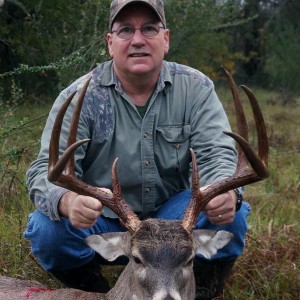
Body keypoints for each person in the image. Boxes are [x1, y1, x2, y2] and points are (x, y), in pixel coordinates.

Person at [24, 0, 248, 299]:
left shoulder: (195, 88)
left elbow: (217, 153)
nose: (138, 40)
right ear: (110, 42)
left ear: (165, 38)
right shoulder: (80, 97)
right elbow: (44, 169)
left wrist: (224, 191)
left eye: (149, 29)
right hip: (105, 219)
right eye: (126, 30)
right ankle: (95, 291)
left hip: (175, 220)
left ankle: (201, 291)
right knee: (47, 230)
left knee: (233, 214)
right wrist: (67, 201)